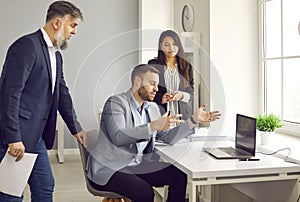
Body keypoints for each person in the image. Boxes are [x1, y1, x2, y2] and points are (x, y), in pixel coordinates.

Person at [86, 64, 220, 202]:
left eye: (157, 84)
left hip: (135, 164)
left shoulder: (153, 108)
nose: (156, 88)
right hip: (110, 168)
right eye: (152, 84)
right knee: (144, 192)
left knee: (179, 176)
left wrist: (193, 120)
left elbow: (167, 137)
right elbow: (118, 137)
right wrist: (154, 125)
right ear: (137, 81)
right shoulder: (115, 103)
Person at [0, 1, 86, 201]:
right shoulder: (26, 46)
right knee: (11, 194)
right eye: (72, 25)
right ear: (57, 23)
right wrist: (13, 137)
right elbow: (10, 93)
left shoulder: (56, 55)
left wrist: (76, 129)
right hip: (16, 135)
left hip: (36, 135)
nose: (74, 32)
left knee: (45, 187)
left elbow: (62, 94)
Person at [148, 30, 194, 121]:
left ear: (179, 46)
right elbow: (148, 90)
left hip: (182, 118)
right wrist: (161, 97)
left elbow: (191, 92)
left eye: (174, 44)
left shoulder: (186, 66)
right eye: (166, 45)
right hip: (160, 116)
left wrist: (181, 95)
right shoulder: (153, 64)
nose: (171, 48)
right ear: (161, 46)